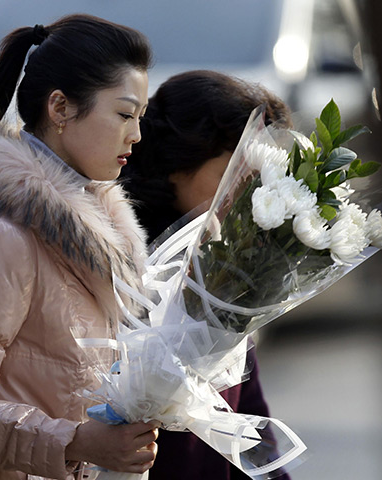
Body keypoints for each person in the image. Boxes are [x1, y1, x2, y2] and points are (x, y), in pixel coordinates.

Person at [0, 14, 157, 480]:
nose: (136, 135)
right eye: (125, 114)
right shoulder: (1, 236)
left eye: (140, 118)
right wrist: (79, 441)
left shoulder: (97, 233)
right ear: (60, 107)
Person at [120, 70, 293, 480]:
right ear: (178, 165)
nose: (247, 195)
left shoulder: (230, 261)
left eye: (259, 181)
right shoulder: (123, 258)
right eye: (233, 176)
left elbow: (249, 413)